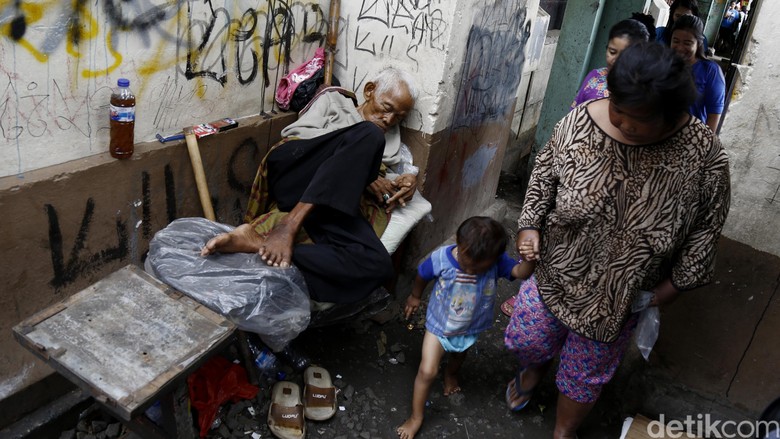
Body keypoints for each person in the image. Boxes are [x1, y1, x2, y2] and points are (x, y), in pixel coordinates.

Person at [503, 42, 730, 439]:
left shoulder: (703, 155)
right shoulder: (579, 123)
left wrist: (668, 290)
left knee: (584, 374)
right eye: (618, 108)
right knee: (529, 337)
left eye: (638, 118)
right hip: (556, 272)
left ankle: (563, 430)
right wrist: (529, 227)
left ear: (672, 112)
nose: (622, 122)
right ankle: (535, 366)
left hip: (620, 298)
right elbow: (543, 176)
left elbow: (707, 229)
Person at [201, 67, 420, 305]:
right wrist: (355, 160)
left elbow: (383, 172)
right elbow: (296, 136)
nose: (389, 120)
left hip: (331, 200)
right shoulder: (335, 102)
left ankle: (258, 244)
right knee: (369, 135)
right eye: (387, 109)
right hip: (297, 176)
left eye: (399, 116)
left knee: (377, 265)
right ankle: (288, 225)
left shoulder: (389, 138)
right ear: (370, 91)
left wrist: (406, 180)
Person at [397, 216, 535, 439]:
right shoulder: (441, 258)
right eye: (466, 262)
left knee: (459, 355)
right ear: (458, 243)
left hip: (469, 327)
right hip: (439, 325)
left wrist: (530, 259)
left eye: (479, 268)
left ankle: (451, 374)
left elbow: (522, 273)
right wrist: (414, 297)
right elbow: (422, 275)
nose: (470, 270)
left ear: (494, 259)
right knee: (427, 370)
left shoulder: (496, 262)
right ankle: (416, 417)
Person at [571, 19, 649, 118]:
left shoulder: (644, 88)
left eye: (625, 55)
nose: (615, 60)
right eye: (612, 52)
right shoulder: (594, 77)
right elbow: (573, 114)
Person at [670, 15, 726, 131]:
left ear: (698, 43)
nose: (680, 47)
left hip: (692, 139)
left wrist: (704, 145)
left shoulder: (710, 71)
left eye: (687, 43)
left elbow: (714, 116)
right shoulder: (663, 64)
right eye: (676, 41)